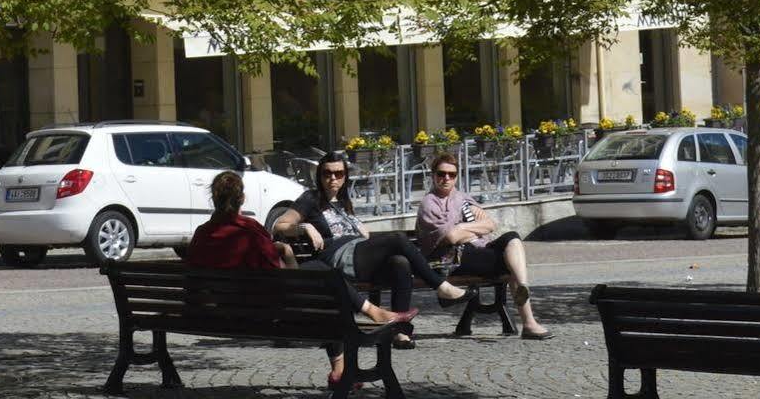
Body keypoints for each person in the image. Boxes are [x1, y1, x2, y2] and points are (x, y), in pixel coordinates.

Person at [188, 169, 416, 389]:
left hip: (219, 312)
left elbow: (196, 279)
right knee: (322, 278)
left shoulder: (202, 233)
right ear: (243, 198)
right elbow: (275, 278)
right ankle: (371, 314)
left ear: (214, 199)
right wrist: (286, 253)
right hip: (261, 313)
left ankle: (344, 361)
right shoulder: (249, 231)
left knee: (322, 285)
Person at [273, 151, 468, 348]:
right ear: (320, 176)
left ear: (345, 176)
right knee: (397, 239)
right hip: (338, 256)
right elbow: (279, 225)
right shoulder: (311, 198)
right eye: (327, 173)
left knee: (400, 262)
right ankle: (441, 287)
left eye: (338, 173)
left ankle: (399, 332)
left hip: (358, 254)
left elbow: (359, 235)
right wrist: (304, 227)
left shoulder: (343, 201)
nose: (333, 178)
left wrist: (361, 232)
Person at [414, 154, 550, 340]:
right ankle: (529, 323)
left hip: (475, 249)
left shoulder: (462, 198)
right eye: (441, 173)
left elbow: (489, 224)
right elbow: (451, 237)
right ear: (433, 175)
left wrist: (462, 229)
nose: (446, 178)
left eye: (451, 175)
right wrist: (466, 229)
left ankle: (523, 287)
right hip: (453, 258)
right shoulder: (429, 204)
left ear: (456, 177)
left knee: (512, 238)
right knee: (509, 262)